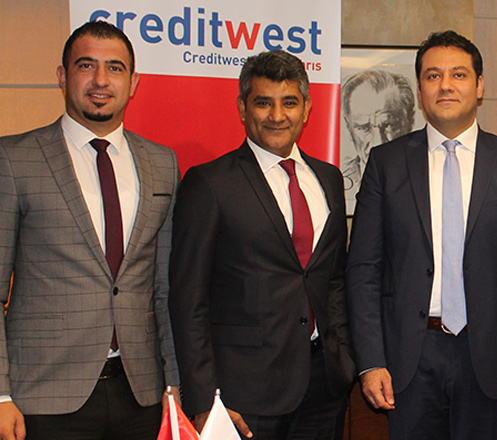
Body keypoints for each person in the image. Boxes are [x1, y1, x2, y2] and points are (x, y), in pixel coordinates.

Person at [346, 30, 497, 439]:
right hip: (408, 360)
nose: (445, 85)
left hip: (491, 359)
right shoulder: (385, 164)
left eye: (458, 74)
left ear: (479, 86)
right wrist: (370, 361)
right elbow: (363, 270)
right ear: (420, 91)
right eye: (433, 76)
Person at [0, 20, 180, 439]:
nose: (101, 80)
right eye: (86, 65)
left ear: (133, 83)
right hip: (42, 395)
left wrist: (174, 382)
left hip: (141, 395)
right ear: (63, 77)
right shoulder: (14, 159)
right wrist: (0, 395)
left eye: (115, 68)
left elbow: (164, 288)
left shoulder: (162, 163)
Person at [169, 50, 356, 440]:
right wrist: (203, 399)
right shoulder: (209, 183)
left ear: (307, 108)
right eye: (263, 103)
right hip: (244, 394)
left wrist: (345, 355)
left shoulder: (329, 179)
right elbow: (188, 299)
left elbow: (334, 279)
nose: (277, 115)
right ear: (242, 108)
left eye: (289, 102)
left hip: (324, 386)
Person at [340, 69, 416, 193]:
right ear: (349, 127)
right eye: (363, 127)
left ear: (409, 121)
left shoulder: (429, 174)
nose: (378, 142)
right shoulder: (336, 182)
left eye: (389, 125)